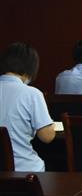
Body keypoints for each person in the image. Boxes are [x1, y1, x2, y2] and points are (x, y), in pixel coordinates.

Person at [0, 43, 55, 171]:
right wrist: (50, 123)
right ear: (30, 68)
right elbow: (47, 137)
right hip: (24, 171)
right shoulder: (32, 93)